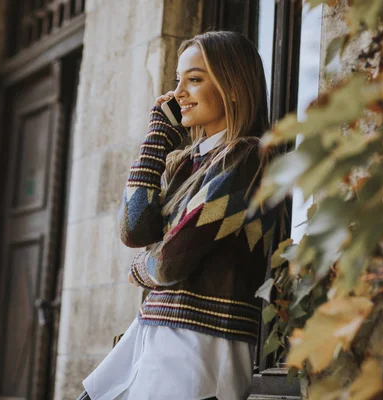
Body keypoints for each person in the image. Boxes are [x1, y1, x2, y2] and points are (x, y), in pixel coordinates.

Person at [78, 31, 277, 400]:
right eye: (177, 81)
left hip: (201, 343)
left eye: (195, 79)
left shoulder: (249, 158)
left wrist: (140, 269)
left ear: (233, 88)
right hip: (156, 332)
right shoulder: (188, 163)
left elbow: (172, 261)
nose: (179, 93)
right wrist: (157, 135)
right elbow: (135, 229)